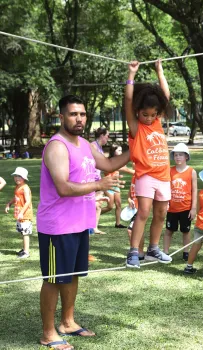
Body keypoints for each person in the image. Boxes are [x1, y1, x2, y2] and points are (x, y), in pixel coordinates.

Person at [37, 95, 129, 350]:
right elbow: (63, 187)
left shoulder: (86, 145)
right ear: (61, 116)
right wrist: (100, 184)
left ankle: (67, 322)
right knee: (54, 279)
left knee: (73, 275)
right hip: (58, 226)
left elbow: (109, 163)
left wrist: (137, 148)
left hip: (79, 224)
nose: (79, 119)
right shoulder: (57, 146)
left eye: (83, 114)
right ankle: (48, 333)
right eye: (73, 114)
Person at [125, 59, 173, 268]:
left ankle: (154, 248)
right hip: (146, 176)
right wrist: (131, 75)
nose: (149, 118)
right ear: (137, 111)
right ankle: (134, 252)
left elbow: (166, 97)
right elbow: (128, 101)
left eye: (153, 114)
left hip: (164, 176)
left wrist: (160, 71)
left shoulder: (157, 123)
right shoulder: (136, 127)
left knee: (161, 213)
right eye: (145, 114)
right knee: (143, 212)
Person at [163, 143, 197, 261]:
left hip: (186, 208)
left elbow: (194, 190)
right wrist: (166, 202)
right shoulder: (170, 171)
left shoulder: (191, 171)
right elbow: (166, 187)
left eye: (180, 155)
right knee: (169, 230)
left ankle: (186, 252)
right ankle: (165, 252)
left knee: (185, 231)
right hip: (172, 208)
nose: (178, 157)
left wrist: (193, 208)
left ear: (186, 157)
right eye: (176, 155)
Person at [101, 144, 134, 229]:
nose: (121, 152)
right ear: (113, 151)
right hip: (109, 186)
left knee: (118, 204)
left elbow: (129, 170)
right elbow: (106, 170)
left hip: (116, 185)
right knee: (110, 206)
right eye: (118, 150)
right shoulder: (109, 161)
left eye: (121, 150)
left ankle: (118, 223)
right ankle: (93, 215)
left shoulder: (120, 162)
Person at [5, 167, 33, 258]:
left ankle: (26, 252)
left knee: (25, 233)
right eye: (16, 176)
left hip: (25, 214)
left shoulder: (25, 188)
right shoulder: (18, 187)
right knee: (22, 232)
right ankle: (24, 248)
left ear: (24, 178)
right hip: (19, 213)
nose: (17, 178)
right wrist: (9, 203)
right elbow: (16, 198)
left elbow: (28, 201)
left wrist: (22, 213)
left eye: (19, 176)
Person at [91, 127, 109, 234]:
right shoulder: (93, 146)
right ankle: (88, 226)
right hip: (91, 180)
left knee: (98, 205)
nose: (108, 138)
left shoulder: (100, 148)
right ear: (102, 135)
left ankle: (94, 227)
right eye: (107, 136)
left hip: (98, 179)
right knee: (93, 204)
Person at [127, 173, 145, 261]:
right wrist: (129, 200)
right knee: (138, 230)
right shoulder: (134, 176)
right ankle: (139, 253)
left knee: (131, 230)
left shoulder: (144, 177)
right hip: (133, 209)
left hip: (140, 208)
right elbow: (129, 194)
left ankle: (136, 251)